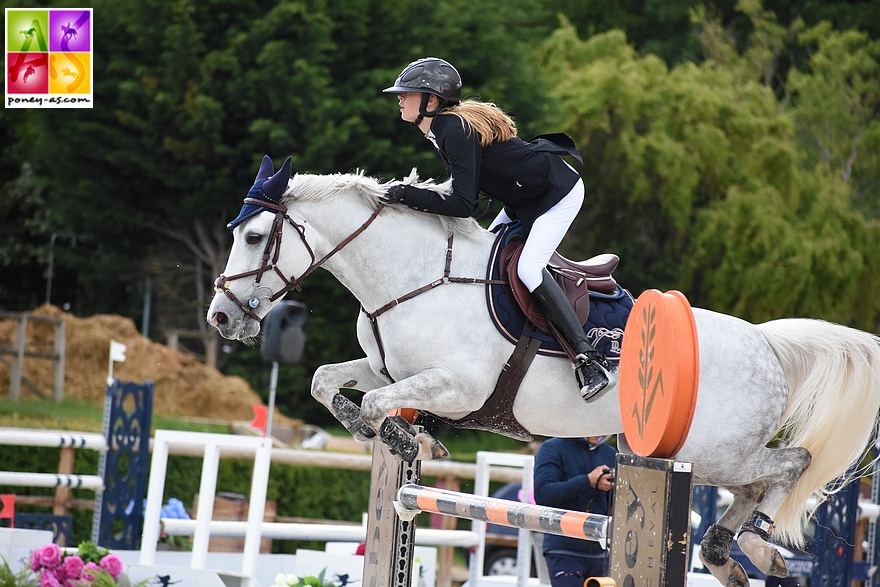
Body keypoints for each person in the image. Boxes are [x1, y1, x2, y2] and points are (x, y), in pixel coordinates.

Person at [382, 57, 610, 401]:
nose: (399, 98)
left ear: (431, 101)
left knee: (529, 269)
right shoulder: (441, 129)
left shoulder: (451, 130)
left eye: (407, 93)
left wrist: (404, 194)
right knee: (484, 258)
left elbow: (462, 205)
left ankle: (587, 359)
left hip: (557, 192)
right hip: (522, 198)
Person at [533, 436, 617, 585]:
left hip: (600, 551)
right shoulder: (552, 447)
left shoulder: (610, 453)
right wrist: (587, 481)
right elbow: (543, 494)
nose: (597, 432)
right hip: (563, 547)